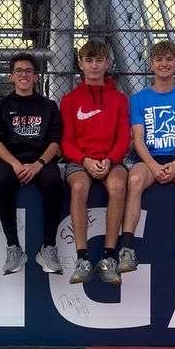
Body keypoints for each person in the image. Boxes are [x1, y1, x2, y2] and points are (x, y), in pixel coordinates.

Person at [124, 40, 175, 277]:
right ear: (151, 64)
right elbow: (138, 139)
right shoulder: (139, 99)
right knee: (134, 181)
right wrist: (152, 165)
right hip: (149, 159)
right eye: (159, 59)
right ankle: (127, 249)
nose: (164, 64)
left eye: (169, 59)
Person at [59, 39, 130, 285]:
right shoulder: (69, 100)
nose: (94, 66)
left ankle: (109, 257)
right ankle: (82, 257)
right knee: (79, 187)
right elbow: (66, 142)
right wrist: (85, 160)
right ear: (80, 64)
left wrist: (110, 160)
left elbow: (124, 138)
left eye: (99, 60)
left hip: (111, 161)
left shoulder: (119, 99)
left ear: (108, 63)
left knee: (118, 186)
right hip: (81, 161)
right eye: (89, 60)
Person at [0, 52, 64, 275]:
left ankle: (48, 247)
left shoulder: (48, 106)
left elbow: (54, 142)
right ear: (11, 76)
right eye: (19, 71)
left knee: (53, 182)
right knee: (1, 181)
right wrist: (15, 164)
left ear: (36, 77)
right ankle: (14, 247)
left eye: (28, 71)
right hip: (11, 159)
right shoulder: (1, 105)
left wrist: (38, 164)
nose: (24, 75)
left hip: (40, 159)